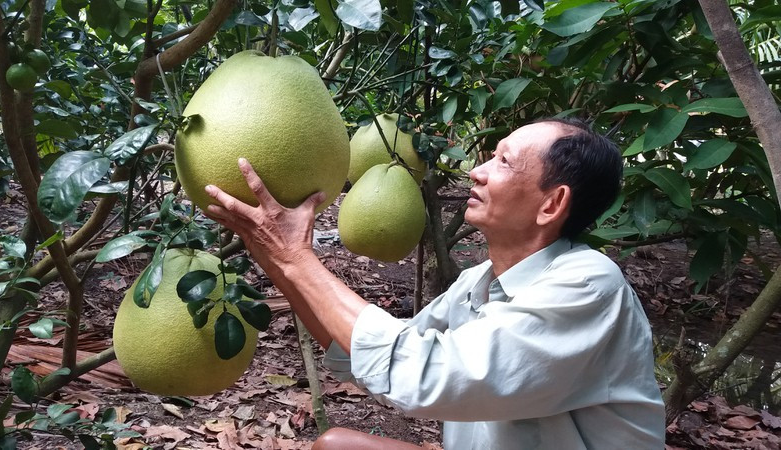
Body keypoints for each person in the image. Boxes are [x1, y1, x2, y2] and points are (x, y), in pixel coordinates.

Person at [202, 118, 666, 450]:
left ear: (552, 204)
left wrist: (298, 258)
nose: (477, 171)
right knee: (335, 444)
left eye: (503, 161)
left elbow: (423, 376)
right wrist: (277, 261)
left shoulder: (589, 285)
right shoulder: (477, 282)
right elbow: (360, 358)